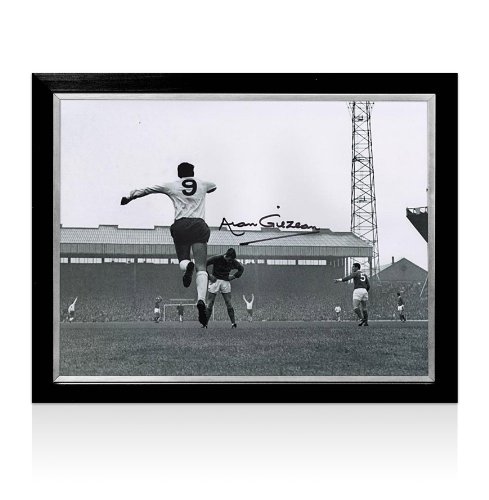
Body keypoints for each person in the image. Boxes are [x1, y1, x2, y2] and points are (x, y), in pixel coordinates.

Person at [121, 162, 216, 326]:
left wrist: (130, 197)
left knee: (183, 260)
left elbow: (149, 189)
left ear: (179, 174)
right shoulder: (203, 184)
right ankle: (201, 300)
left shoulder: (173, 185)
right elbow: (214, 187)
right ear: (193, 173)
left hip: (181, 225)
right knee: (201, 266)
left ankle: (187, 266)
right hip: (199, 225)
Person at [205, 248, 244, 328]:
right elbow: (204, 264)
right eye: (229, 260)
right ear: (226, 256)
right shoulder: (217, 258)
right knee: (210, 303)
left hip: (225, 281)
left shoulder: (233, 261)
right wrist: (209, 276)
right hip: (215, 280)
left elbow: (241, 269)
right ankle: (205, 324)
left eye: (232, 260)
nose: (230, 262)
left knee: (228, 302)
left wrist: (234, 276)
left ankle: (233, 324)